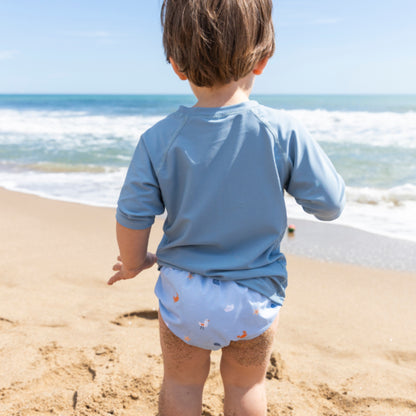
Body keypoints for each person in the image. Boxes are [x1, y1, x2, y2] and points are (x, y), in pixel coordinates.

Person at [107, 0, 345, 415]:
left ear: (176, 65)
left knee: (181, 383)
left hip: (185, 295)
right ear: (264, 58)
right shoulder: (281, 131)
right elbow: (330, 204)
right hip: (254, 294)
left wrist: (132, 262)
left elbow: (132, 215)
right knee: (245, 385)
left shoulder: (159, 138)